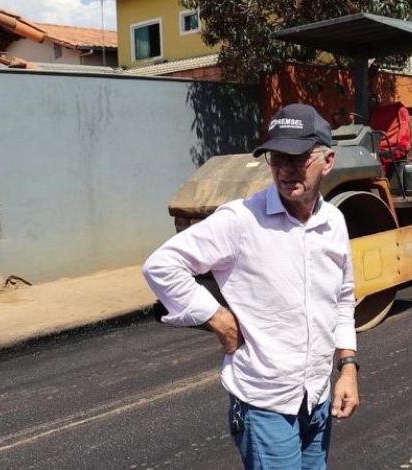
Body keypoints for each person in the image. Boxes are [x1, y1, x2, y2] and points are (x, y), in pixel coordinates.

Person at [143, 103, 359, 469]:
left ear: (328, 160)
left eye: (299, 158)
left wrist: (348, 368)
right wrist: (218, 318)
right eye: (277, 158)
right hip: (266, 406)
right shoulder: (242, 220)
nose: (286, 169)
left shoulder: (334, 222)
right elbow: (162, 265)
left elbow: (342, 299)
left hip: (317, 398)